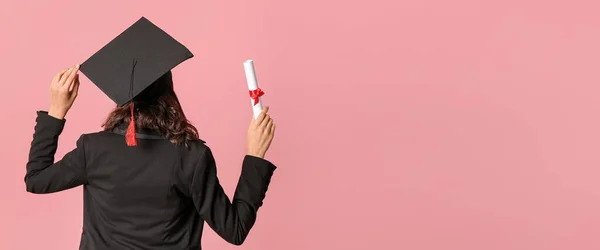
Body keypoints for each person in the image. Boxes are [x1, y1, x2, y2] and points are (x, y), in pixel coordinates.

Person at [24, 17, 277, 249]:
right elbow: (235, 230)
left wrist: (56, 111)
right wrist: (254, 156)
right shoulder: (192, 157)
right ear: (168, 92)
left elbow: (36, 179)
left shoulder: (93, 150)